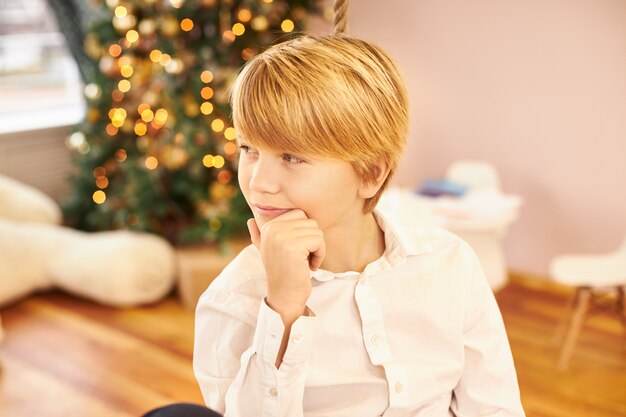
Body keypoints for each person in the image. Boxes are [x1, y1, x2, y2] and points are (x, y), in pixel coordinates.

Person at [184, 30, 527, 417]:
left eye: (292, 157)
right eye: (249, 150)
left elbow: (495, 408)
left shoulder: (450, 264)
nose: (258, 182)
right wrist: (283, 309)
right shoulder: (233, 300)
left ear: (371, 174)